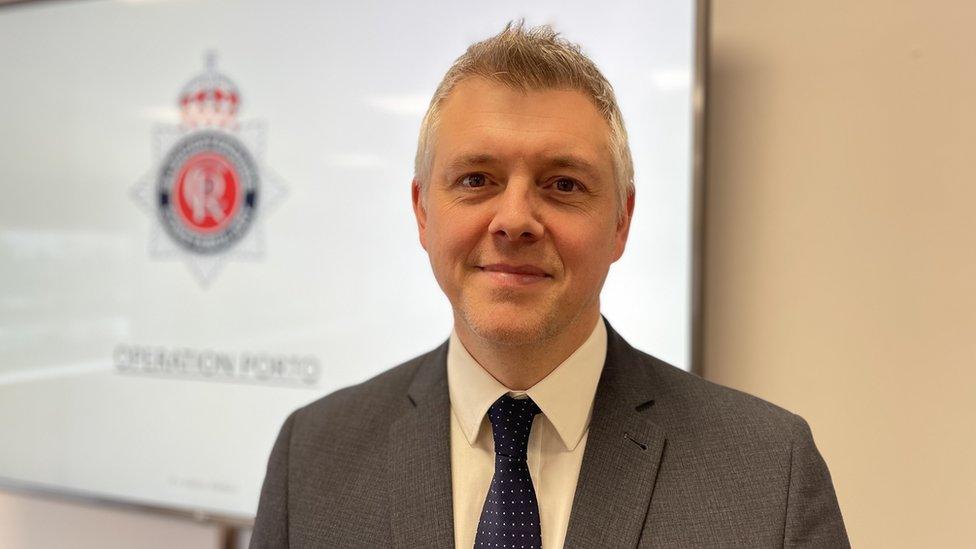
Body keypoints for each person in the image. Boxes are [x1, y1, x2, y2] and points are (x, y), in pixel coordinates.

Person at [251, 22, 849, 548]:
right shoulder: (312, 457)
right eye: (476, 178)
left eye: (563, 185)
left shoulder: (771, 474)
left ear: (621, 222)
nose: (514, 220)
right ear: (422, 213)